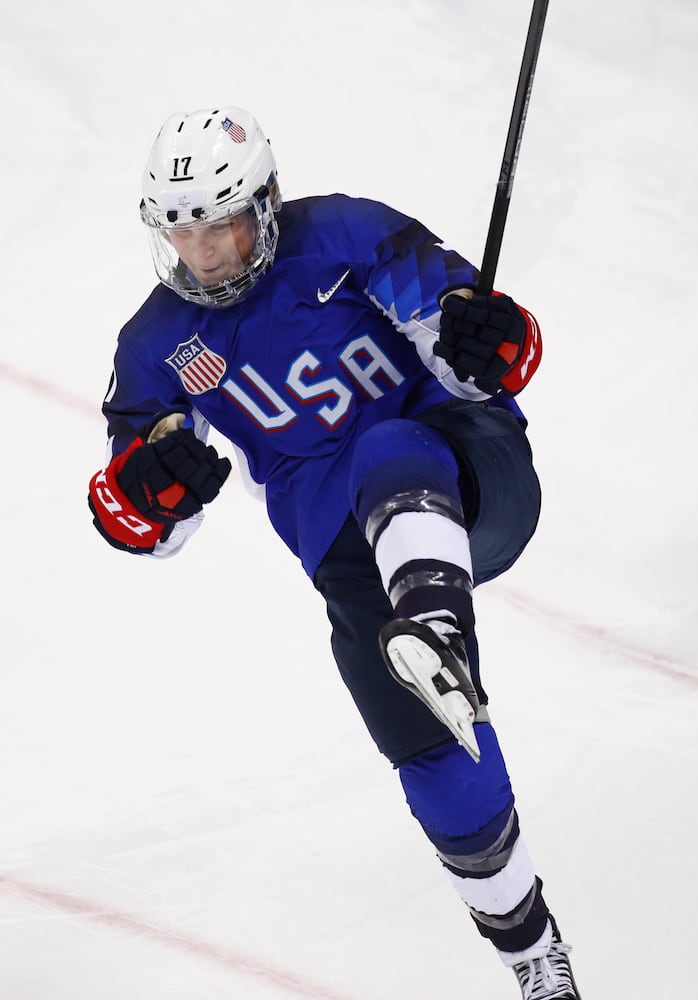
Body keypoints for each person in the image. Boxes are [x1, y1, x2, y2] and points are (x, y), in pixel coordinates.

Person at [87, 105, 582, 999]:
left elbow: (482, 351)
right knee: (432, 751)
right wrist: (151, 488)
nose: (206, 251)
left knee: (387, 449)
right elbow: (138, 520)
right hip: (349, 555)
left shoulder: (344, 233)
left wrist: (489, 334)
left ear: (268, 203)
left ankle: (433, 620)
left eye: (224, 223)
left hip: (469, 471)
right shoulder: (156, 345)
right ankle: (534, 955)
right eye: (184, 231)